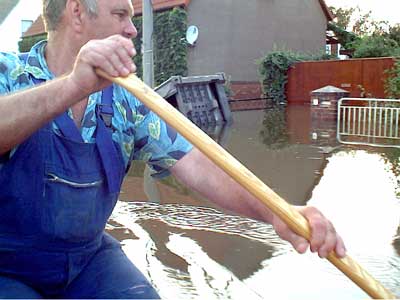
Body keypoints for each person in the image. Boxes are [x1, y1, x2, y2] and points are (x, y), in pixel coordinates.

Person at [0, 0, 346, 298]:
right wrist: (75, 86)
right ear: (77, 13)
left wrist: (277, 211)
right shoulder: (8, 74)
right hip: (8, 266)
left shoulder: (128, 100)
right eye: (121, 14)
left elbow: (198, 164)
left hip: (87, 259)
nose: (132, 29)